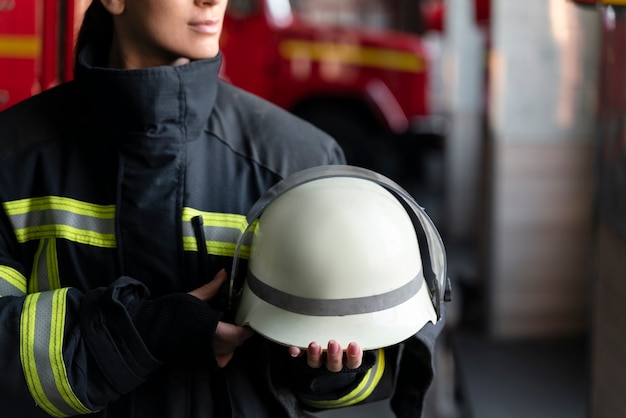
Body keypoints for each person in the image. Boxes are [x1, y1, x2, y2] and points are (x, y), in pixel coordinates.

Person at [0, 0, 443, 417]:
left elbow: (371, 361)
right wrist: (145, 332)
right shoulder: (12, 157)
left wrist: (331, 371)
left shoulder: (299, 161)